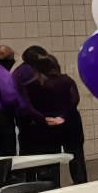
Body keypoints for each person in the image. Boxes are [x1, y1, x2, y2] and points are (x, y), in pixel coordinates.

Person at [0, 46, 58, 156]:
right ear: (8, 59)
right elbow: (10, 98)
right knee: (5, 154)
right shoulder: (3, 74)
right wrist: (26, 111)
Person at [24, 55, 87, 184]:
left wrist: (44, 119)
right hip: (70, 124)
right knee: (77, 159)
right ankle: (82, 187)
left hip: (46, 128)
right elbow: (74, 100)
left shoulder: (32, 85)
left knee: (50, 162)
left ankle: (51, 189)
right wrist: (62, 117)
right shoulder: (67, 80)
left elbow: (29, 107)